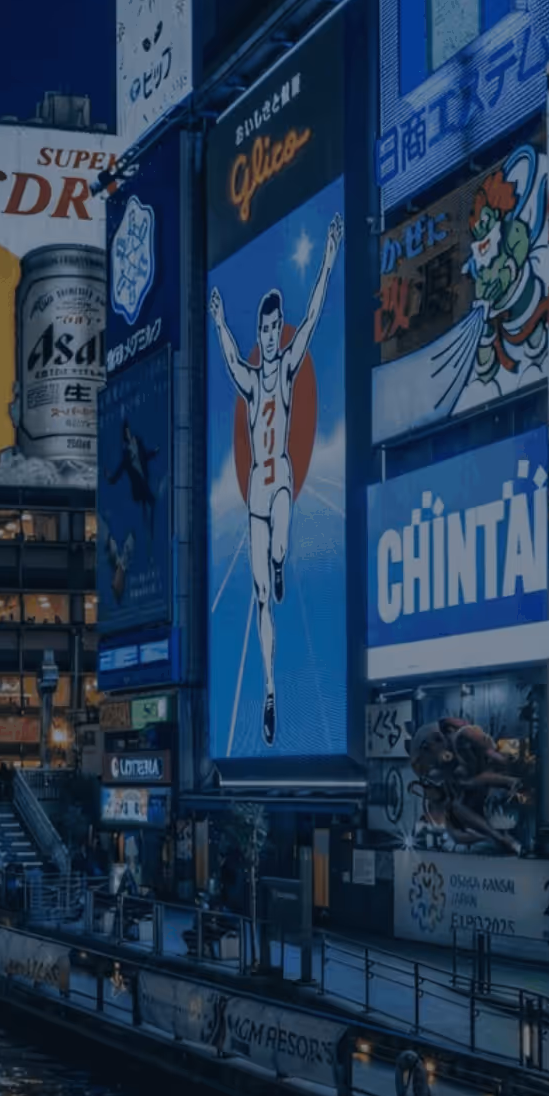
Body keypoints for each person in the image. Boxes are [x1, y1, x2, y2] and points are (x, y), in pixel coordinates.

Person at [207, 208, 343, 747]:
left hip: (280, 479)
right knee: (262, 598)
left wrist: (329, 258)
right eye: (262, 329)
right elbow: (225, 358)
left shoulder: (285, 367)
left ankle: (282, 561)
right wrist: (219, 321)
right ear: (256, 332)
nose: (267, 335)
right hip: (255, 497)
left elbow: (311, 317)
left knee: (280, 549)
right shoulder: (247, 376)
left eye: (271, 327)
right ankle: (267, 691)